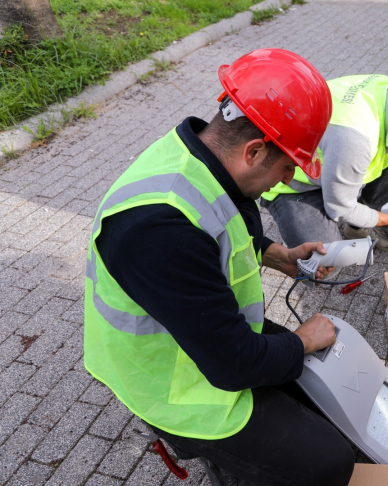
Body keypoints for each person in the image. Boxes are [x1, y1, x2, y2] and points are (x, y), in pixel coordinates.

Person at [83, 49, 355, 486]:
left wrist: (275, 254)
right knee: (330, 463)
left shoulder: (201, 155)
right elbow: (234, 367)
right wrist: (301, 340)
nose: (289, 180)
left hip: (199, 337)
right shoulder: (160, 228)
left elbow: (214, 227)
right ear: (253, 150)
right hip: (170, 383)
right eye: (288, 165)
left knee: (318, 381)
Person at [260, 69, 388, 253]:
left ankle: (357, 224)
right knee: (326, 258)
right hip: (292, 185)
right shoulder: (354, 139)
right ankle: (325, 211)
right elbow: (339, 208)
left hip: (338, 163)